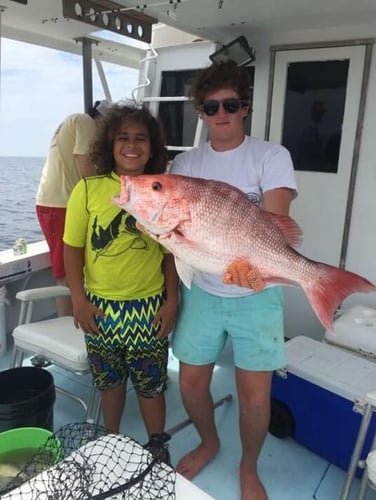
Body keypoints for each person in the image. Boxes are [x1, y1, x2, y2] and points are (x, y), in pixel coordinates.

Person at [169, 60, 298, 500]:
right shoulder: (185, 162)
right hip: (203, 287)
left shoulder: (271, 156)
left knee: (256, 398)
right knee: (189, 382)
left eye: (231, 103)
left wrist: (255, 267)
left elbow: (277, 224)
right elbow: (178, 241)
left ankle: (249, 467)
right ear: (200, 112)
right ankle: (209, 442)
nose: (221, 112)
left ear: (245, 107)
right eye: (211, 105)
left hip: (256, 291)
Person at [63, 102, 179, 460]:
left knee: (150, 384)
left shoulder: (164, 189)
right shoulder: (87, 190)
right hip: (100, 308)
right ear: (109, 145)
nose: (132, 145)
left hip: (147, 307)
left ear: (152, 147)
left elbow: (169, 252)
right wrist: (78, 300)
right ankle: (110, 438)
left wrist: (171, 300)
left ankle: (156, 443)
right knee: (108, 382)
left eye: (141, 138)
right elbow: (72, 249)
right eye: (123, 138)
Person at [36, 99, 111, 317]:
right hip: (60, 205)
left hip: (61, 203)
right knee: (66, 273)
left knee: (75, 267)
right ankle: (67, 326)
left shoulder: (73, 123)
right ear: (101, 119)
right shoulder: (85, 122)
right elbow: (87, 170)